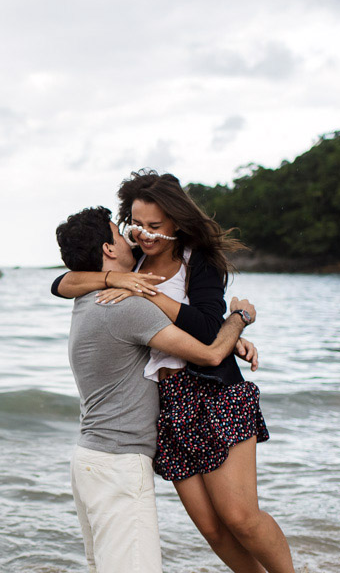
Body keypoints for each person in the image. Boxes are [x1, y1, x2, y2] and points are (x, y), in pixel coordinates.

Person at [53, 171, 293, 573]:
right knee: (212, 530)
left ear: (176, 223)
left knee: (239, 518)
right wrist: (116, 278)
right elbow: (63, 282)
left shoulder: (198, 261)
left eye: (154, 226)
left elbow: (203, 328)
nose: (143, 234)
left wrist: (149, 294)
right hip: (169, 404)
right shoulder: (133, 257)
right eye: (135, 224)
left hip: (214, 391)